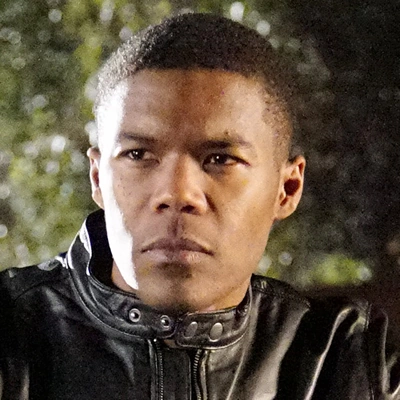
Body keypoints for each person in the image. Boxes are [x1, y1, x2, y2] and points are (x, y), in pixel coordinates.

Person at [0, 13, 399, 400]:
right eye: (138, 154)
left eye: (220, 159)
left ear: (287, 188)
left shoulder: (352, 361)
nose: (177, 193)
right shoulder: (10, 333)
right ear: (97, 179)